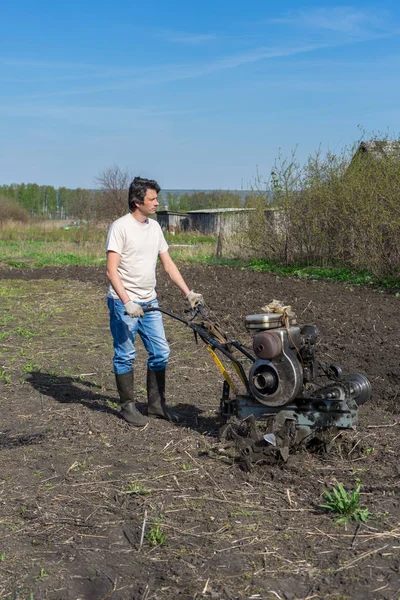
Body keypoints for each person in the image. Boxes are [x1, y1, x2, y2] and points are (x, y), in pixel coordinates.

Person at [106, 176, 204, 427]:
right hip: (123, 302)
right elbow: (111, 271)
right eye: (152, 199)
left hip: (150, 301)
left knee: (161, 352)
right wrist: (127, 301)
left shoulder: (155, 228)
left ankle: (156, 405)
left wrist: (188, 292)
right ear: (137, 202)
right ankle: (127, 407)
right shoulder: (120, 227)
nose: (157, 203)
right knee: (125, 354)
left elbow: (168, 264)